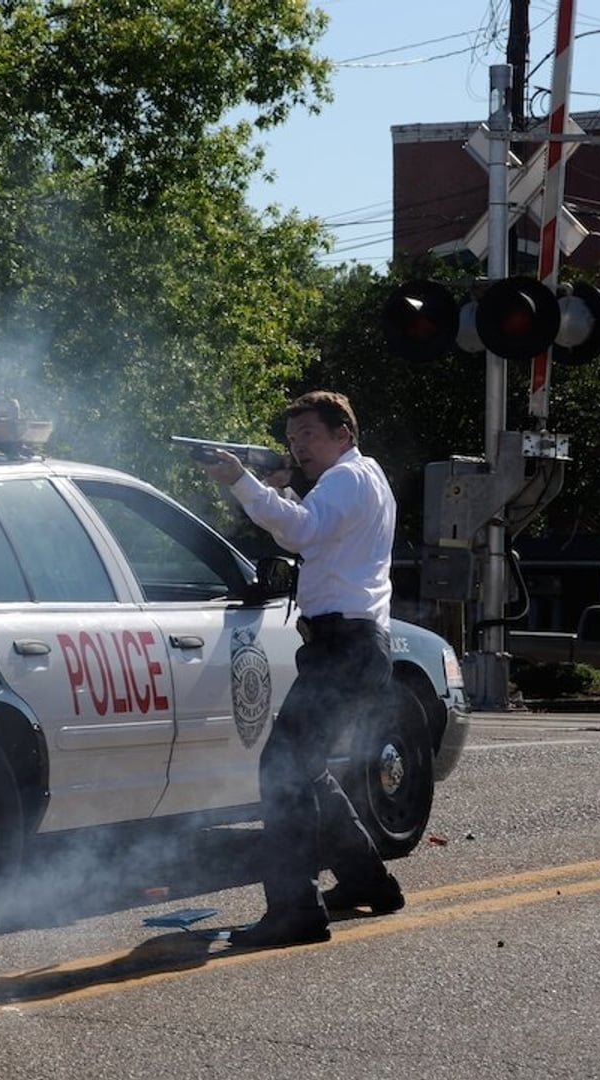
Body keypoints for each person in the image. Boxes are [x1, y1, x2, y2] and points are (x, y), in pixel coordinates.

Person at [198, 389, 405, 948]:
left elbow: (301, 532)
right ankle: (369, 882)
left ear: (344, 434)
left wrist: (244, 481)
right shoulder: (367, 477)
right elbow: (315, 526)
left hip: (344, 644)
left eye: (309, 435)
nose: (299, 446)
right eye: (292, 439)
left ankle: (295, 911)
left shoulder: (344, 479)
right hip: (354, 645)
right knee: (305, 767)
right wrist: (280, 482)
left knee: (284, 768)